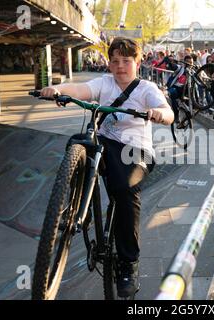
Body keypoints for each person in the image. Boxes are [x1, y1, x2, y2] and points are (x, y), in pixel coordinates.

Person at [39, 37, 174, 298]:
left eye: (126, 61)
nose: (120, 66)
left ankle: (128, 262)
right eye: (115, 61)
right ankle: (79, 205)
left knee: (124, 190)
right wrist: (58, 89)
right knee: (77, 144)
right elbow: (81, 90)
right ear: (109, 64)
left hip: (135, 151)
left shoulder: (146, 89)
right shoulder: (105, 83)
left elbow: (167, 112)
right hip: (106, 144)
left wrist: (159, 114)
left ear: (137, 62)